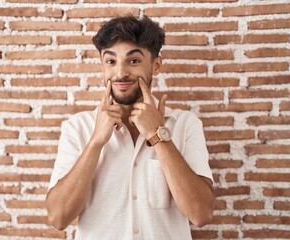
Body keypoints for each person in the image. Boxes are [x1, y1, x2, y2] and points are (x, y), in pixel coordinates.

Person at [46, 15, 214, 240]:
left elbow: (201, 213)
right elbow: (58, 218)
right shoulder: (77, 127)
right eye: (111, 61)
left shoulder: (185, 124)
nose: (120, 73)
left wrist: (159, 137)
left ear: (156, 65)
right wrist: (96, 142)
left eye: (133, 61)